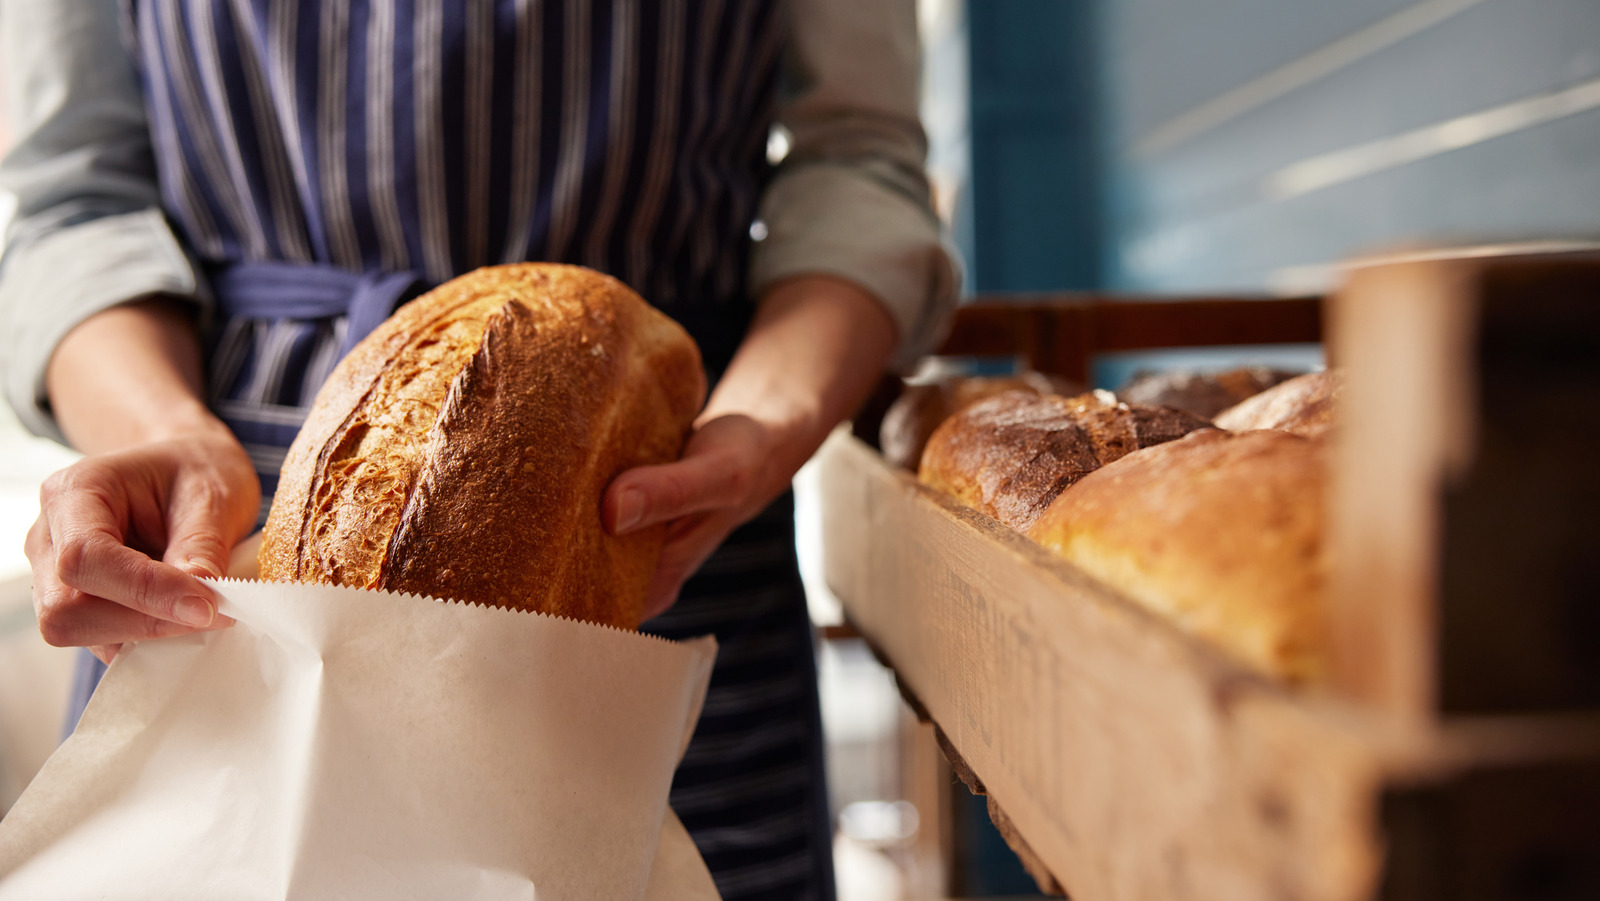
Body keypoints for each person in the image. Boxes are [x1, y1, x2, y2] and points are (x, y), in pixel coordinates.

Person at [0, 0, 956, 898]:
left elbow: (856, 164)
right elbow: (75, 201)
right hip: (232, 575)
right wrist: (163, 433)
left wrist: (764, 423)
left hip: (657, 547)